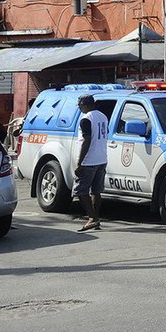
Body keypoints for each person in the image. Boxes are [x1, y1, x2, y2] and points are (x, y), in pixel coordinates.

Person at [74, 95, 109, 232]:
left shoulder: (86, 119)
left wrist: (79, 163)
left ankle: (92, 218)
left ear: (85, 105)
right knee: (96, 191)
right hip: (102, 158)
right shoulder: (103, 117)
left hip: (89, 160)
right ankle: (96, 218)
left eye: (80, 105)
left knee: (81, 190)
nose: (79, 108)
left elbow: (86, 140)